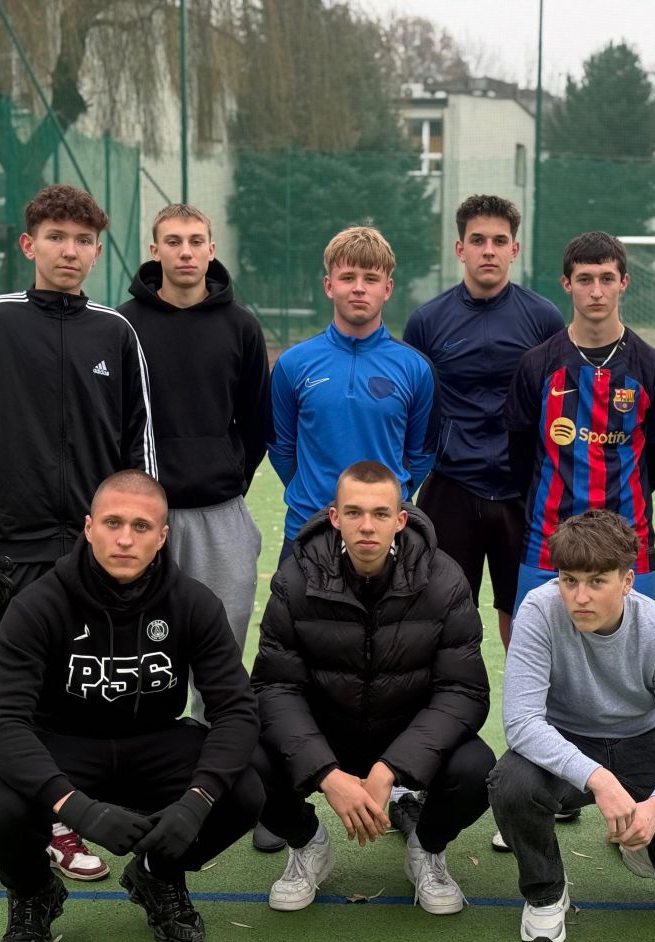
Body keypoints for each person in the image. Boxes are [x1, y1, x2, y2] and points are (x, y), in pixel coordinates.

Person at [0, 184, 157, 909]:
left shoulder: (116, 332)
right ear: (29, 245)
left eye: (83, 240)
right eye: (56, 237)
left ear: (98, 251)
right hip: (10, 555)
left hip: (93, 557)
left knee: (81, 696)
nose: (69, 251)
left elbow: (140, 449)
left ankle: (62, 826)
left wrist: (141, 535)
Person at [0, 471, 264, 942]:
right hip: (64, 742)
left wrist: (196, 802)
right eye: (112, 523)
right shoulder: (38, 604)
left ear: (162, 536)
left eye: (141, 526)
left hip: (154, 740)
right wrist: (76, 809)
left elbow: (235, 709)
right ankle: (34, 892)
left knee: (245, 790)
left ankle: (157, 872)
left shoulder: (193, 603)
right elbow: (0, 720)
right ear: (89, 528)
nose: (125, 538)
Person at [488, 510, 655, 942]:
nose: (580, 597)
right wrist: (599, 779)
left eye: (597, 581)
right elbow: (522, 723)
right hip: (566, 738)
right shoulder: (539, 612)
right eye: (569, 580)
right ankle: (546, 892)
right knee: (511, 784)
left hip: (643, 740)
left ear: (627, 581)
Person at [250, 461, 493, 915]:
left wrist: (391, 768)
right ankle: (308, 844)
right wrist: (325, 771)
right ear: (335, 517)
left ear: (400, 519)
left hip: (406, 731)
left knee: (477, 767)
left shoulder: (443, 580)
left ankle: (427, 848)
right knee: (243, 757)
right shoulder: (295, 578)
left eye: (380, 514)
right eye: (354, 513)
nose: (367, 526)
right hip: (326, 733)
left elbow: (464, 692)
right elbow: (273, 687)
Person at [118, 203, 270, 719]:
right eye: (174, 241)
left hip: (218, 514)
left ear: (211, 250)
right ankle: (146, 757)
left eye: (195, 241)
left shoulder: (241, 327)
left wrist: (225, 475)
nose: (186, 252)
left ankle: (214, 756)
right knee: (140, 655)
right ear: (154, 250)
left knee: (219, 654)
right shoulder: (124, 325)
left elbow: (256, 422)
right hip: (142, 517)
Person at [404, 194, 563, 650]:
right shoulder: (427, 321)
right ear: (460, 249)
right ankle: (452, 699)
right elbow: (415, 409)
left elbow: (558, 403)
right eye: (477, 240)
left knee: (528, 621)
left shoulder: (544, 318)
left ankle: (525, 699)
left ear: (515, 249)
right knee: (443, 616)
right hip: (452, 488)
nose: (488, 251)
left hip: (523, 492)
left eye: (499, 241)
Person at [505, 232, 655, 613]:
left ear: (624, 282)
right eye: (585, 279)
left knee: (629, 650)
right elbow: (520, 456)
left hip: (629, 547)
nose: (596, 291)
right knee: (540, 647)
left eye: (607, 278)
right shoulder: (536, 365)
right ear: (567, 284)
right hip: (546, 545)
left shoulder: (652, 368)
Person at [267, 226, 438, 563]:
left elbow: (421, 455)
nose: (359, 288)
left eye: (371, 279)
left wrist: (383, 502)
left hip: (383, 536)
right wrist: (315, 492)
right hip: (308, 528)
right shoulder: (293, 364)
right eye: (347, 277)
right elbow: (281, 449)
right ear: (329, 286)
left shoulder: (416, 368)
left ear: (387, 289)